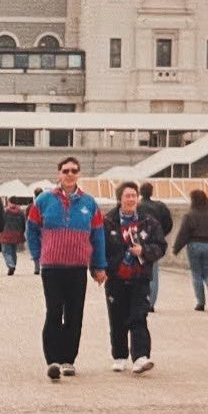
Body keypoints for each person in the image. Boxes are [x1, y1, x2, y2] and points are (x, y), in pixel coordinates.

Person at [26, 156, 106, 381]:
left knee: (74, 314)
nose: (69, 174)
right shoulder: (43, 200)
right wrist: (37, 255)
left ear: (78, 174)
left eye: (73, 170)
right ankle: (52, 360)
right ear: (59, 174)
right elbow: (31, 229)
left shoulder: (89, 203)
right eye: (65, 170)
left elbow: (98, 236)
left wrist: (99, 266)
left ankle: (68, 359)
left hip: (77, 267)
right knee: (54, 312)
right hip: (52, 267)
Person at [102, 182, 167, 375]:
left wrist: (144, 251)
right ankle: (119, 355)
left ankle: (140, 356)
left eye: (134, 196)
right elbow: (99, 247)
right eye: (127, 196)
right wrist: (101, 268)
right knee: (117, 318)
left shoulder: (149, 222)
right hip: (116, 277)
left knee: (139, 316)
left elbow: (160, 246)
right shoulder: (108, 221)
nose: (131, 199)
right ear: (119, 199)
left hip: (140, 277)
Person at [172, 189, 208, 312]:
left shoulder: (190, 215)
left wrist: (177, 248)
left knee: (197, 274)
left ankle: (200, 303)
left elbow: (183, 233)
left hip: (194, 245)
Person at [137, 182, 173, 311]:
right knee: (153, 274)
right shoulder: (160, 206)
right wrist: (160, 235)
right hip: (154, 244)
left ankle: (139, 299)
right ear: (151, 192)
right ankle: (150, 303)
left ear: (140, 192)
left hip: (138, 243)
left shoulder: (137, 206)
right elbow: (169, 223)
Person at [0, 196, 27, 275]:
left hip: (6, 233)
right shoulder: (21, 212)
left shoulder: (5, 211)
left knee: (6, 251)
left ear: (10, 202)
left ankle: (11, 265)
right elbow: (23, 224)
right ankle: (13, 265)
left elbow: (1, 222)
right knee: (13, 251)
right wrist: (22, 232)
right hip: (16, 234)